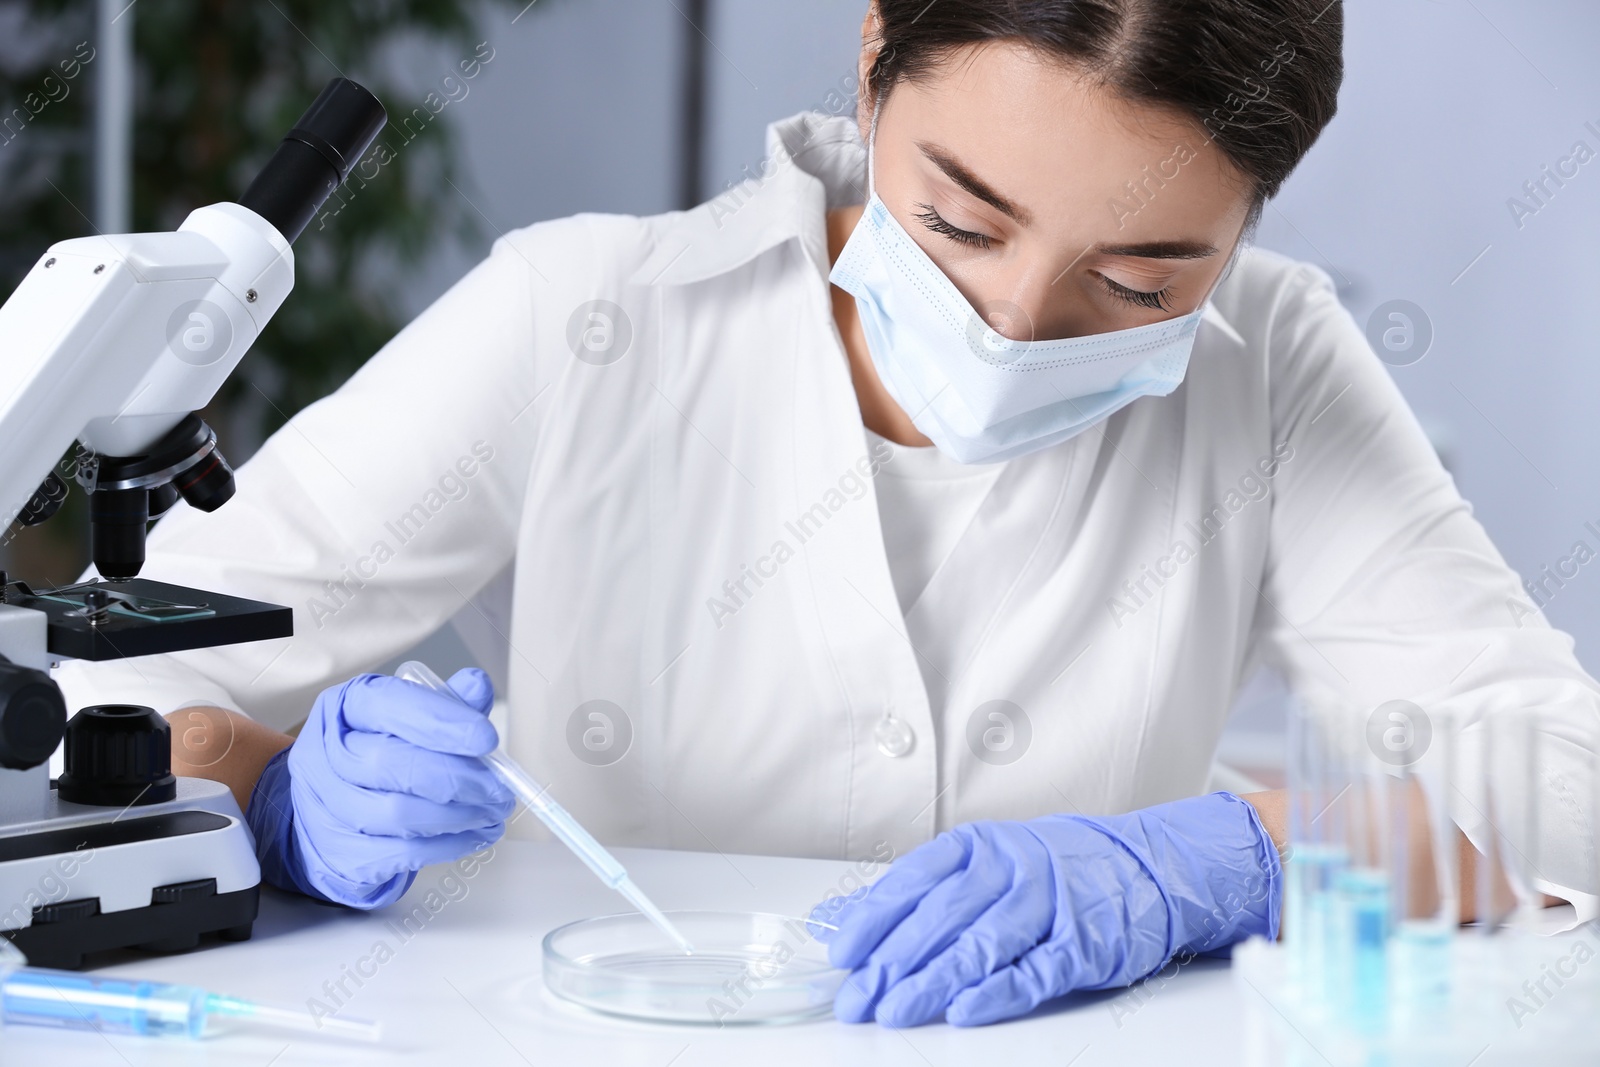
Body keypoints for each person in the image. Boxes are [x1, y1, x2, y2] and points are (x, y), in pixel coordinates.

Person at [56, 0, 1598, 1029]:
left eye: (1139, 282)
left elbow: (1561, 786)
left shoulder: (1279, 368)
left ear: (1253, 220)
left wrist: (1237, 857)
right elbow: (95, 693)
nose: (1011, 317)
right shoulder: (583, 311)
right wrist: (265, 799)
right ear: (872, 63)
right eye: (958, 219)